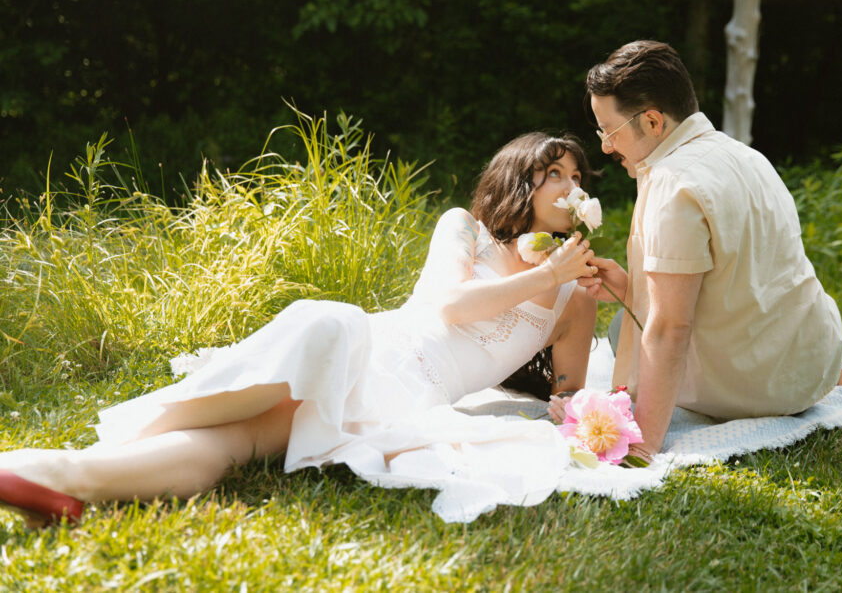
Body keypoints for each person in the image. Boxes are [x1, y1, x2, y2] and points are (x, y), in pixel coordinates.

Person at [0, 132, 599, 527]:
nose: (571, 188)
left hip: (408, 395)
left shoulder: (574, 295)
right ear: (520, 179)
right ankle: (71, 470)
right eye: (555, 173)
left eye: (578, 177)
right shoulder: (464, 228)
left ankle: (65, 476)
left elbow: (569, 391)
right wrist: (545, 271)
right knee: (329, 323)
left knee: (241, 442)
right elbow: (449, 306)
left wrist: (574, 399)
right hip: (378, 343)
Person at [554, 40, 842, 463]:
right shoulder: (745, 155)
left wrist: (642, 445)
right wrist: (631, 287)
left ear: (653, 121)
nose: (605, 147)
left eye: (611, 132)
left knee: (627, 333)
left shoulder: (671, 183)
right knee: (630, 319)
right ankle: (833, 378)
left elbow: (670, 327)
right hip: (815, 358)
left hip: (766, 386)